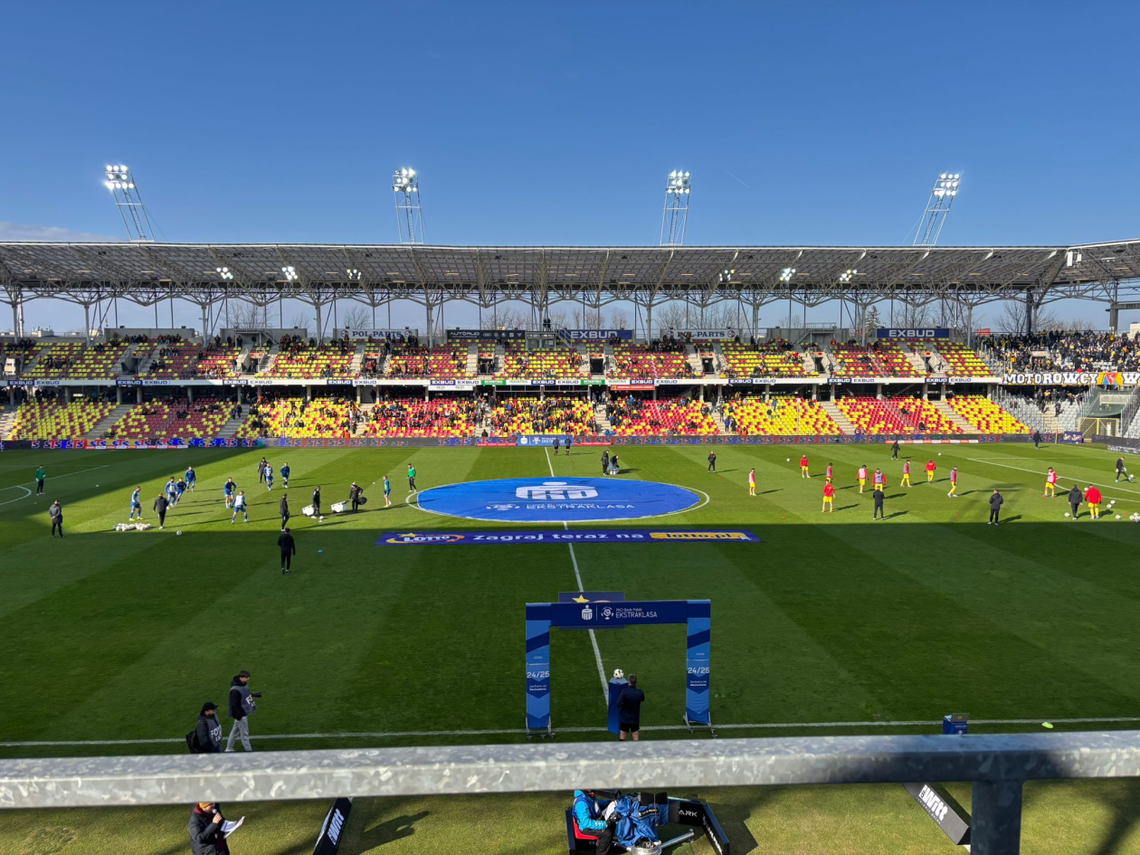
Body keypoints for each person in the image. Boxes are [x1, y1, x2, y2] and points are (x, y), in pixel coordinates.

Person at [225, 670, 261, 752]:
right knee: (244, 734)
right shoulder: (235, 690)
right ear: (241, 678)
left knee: (235, 732)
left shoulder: (242, 685)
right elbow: (234, 705)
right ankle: (249, 751)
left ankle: (229, 748)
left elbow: (245, 694)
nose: (248, 679)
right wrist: (239, 716)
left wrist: (255, 695)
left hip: (241, 713)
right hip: (241, 714)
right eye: (246, 677)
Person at [572, 790, 616, 855]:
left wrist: (610, 801)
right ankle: (601, 853)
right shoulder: (581, 803)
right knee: (607, 833)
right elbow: (587, 823)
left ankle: (603, 844)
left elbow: (599, 804)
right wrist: (605, 824)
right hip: (585, 828)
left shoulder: (588, 796)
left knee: (612, 824)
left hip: (590, 822)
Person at [617, 674, 645, 742]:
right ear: (636, 682)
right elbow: (642, 699)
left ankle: (621, 748)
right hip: (634, 719)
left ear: (629, 681)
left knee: (623, 735)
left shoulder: (624, 692)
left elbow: (618, 704)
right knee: (635, 736)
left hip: (625, 718)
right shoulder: (640, 692)